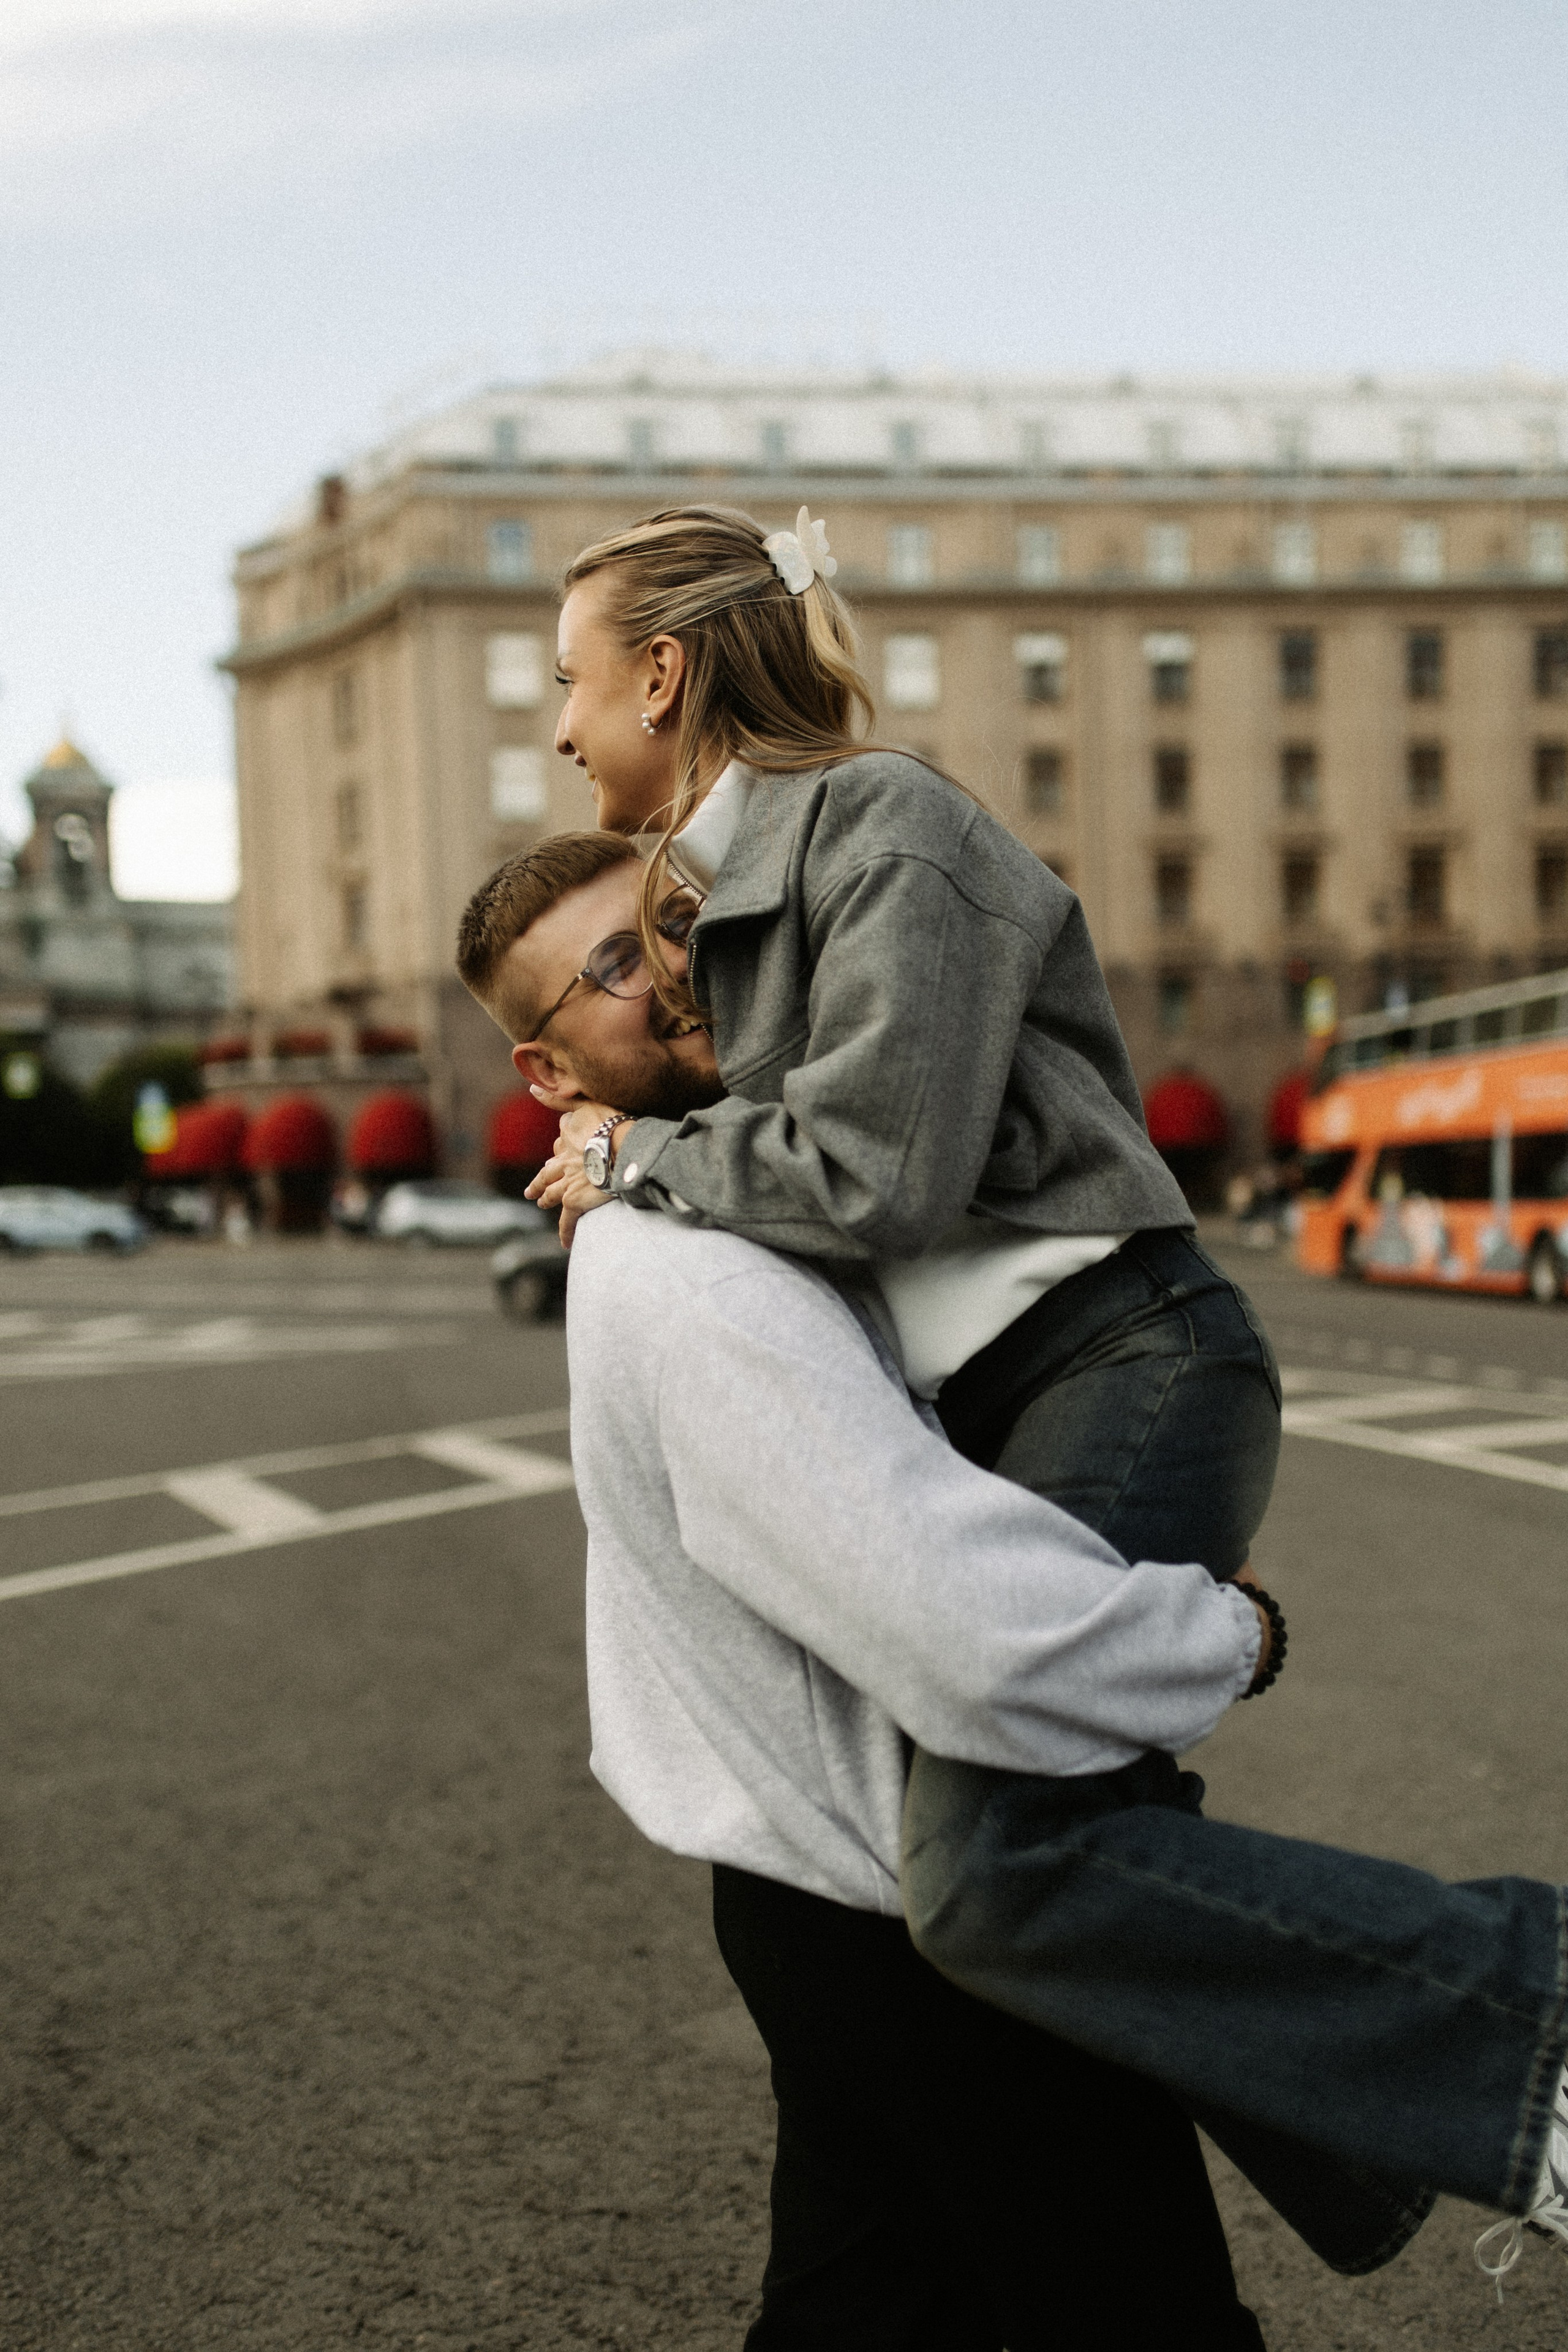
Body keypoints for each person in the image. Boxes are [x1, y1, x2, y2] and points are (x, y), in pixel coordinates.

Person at [508, 503, 1568, 2291]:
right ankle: (1450, 2101)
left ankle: (1530, 2043)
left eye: (570, 681)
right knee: (1053, 1872)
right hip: (1013, 1391)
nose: (558, 726)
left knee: (999, 1870)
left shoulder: (886, 825)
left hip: (1121, 1353)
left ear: (664, 674)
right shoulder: (732, 882)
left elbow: (881, 1174)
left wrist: (637, 1156)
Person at [458, 829, 1275, 2349]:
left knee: (862, 2305)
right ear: (544, 1073)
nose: (674, 973)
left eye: (673, 926)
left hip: (816, 1888)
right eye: (614, 968)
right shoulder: (697, 1272)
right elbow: (955, 1623)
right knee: (1139, 2305)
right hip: (894, 1904)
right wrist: (1229, 1632)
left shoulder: (720, 1203)